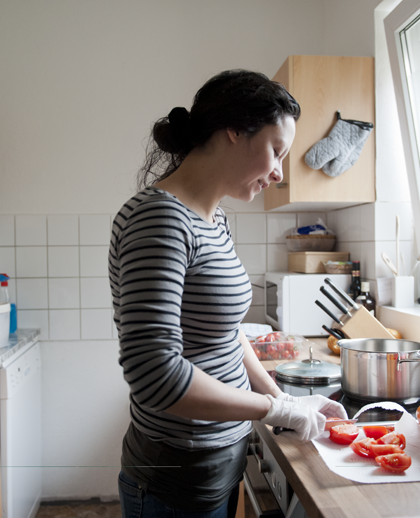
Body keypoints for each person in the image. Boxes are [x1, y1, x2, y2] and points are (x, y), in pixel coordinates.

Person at [109, 69, 346, 518]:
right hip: (177, 470)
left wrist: (283, 400)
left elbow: (227, 334)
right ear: (234, 130)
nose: (278, 173)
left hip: (217, 456)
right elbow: (154, 374)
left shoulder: (213, 219)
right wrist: (274, 410)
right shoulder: (160, 220)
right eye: (276, 151)